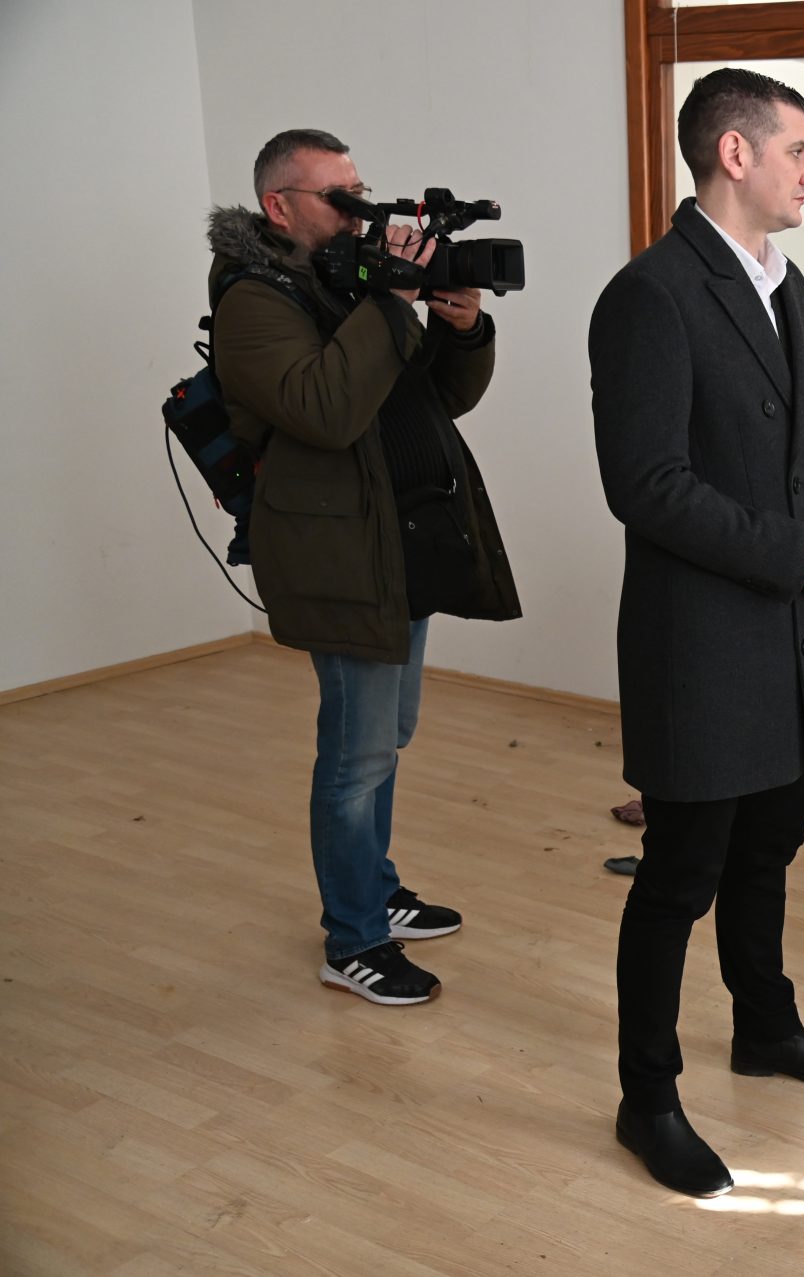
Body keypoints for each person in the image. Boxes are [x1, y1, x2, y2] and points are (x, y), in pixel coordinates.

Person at [588, 68, 804, 1200]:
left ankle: (765, 1025)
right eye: (799, 148)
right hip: (702, 643)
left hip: (785, 628)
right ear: (735, 153)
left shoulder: (782, 284)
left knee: (770, 849)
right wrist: (791, 549)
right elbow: (646, 485)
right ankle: (647, 1098)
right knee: (679, 876)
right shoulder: (650, 295)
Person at [210, 129, 518, 1006]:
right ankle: (352, 938)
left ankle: (375, 888)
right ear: (278, 206)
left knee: (388, 735)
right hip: (336, 554)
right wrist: (390, 299)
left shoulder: (342, 284)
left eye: (360, 190)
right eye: (338, 198)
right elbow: (325, 409)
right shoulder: (253, 300)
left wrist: (461, 327)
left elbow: (437, 397)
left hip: (394, 541)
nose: (359, 211)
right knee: (355, 753)